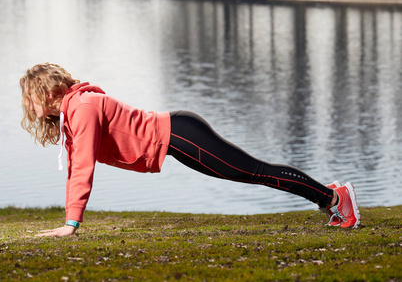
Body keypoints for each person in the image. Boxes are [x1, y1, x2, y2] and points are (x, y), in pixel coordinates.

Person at [20, 63, 361, 237]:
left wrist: (72, 223)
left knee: (253, 171)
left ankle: (335, 198)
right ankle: (328, 197)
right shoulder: (75, 111)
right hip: (178, 137)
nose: (27, 104)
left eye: (30, 96)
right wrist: (70, 220)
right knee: (251, 172)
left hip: (181, 133)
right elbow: (74, 166)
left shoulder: (83, 107)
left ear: (47, 92)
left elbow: (82, 166)